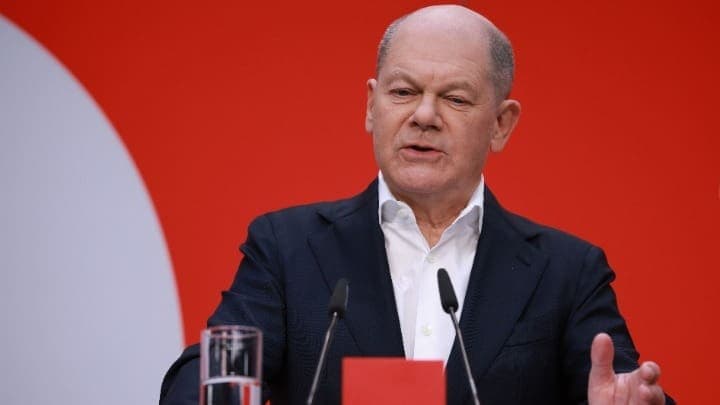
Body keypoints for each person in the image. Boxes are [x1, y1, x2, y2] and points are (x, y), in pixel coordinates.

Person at [161, 5, 674, 404]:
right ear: (371, 105)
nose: (424, 116)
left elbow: (621, 388)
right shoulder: (287, 249)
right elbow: (207, 375)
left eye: (455, 98)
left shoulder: (567, 272)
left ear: (501, 124)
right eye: (403, 92)